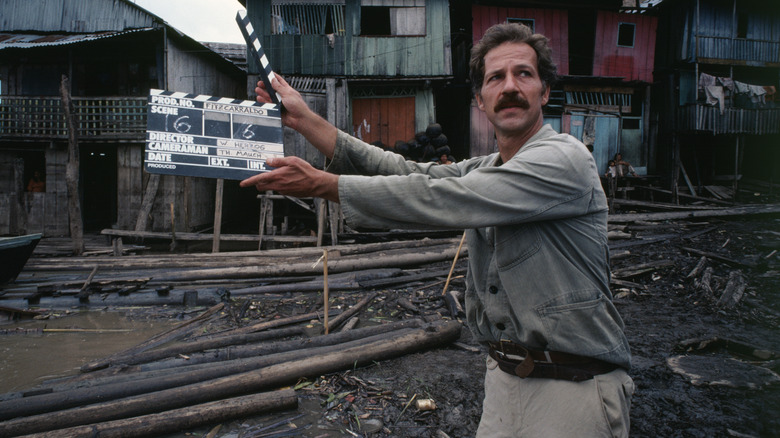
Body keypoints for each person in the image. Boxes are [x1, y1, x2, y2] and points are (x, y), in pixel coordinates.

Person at [241, 22, 633, 437]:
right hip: (505, 379)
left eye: (524, 74)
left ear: (545, 91)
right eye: (495, 78)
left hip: (574, 388)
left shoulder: (564, 159)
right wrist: (306, 122)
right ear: (480, 100)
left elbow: (444, 198)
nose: (510, 87)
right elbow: (409, 171)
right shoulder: (488, 166)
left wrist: (326, 185)